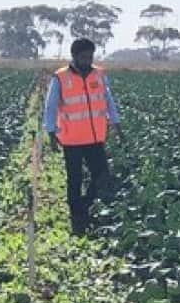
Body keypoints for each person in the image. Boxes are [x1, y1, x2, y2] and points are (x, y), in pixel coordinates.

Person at [44, 38, 122, 234]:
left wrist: (116, 123)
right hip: (72, 139)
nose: (88, 60)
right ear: (75, 56)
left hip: (95, 138)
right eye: (84, 56)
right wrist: (51, 132)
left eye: (90, 56)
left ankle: (88, 205)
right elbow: (51, 106)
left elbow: (108, 100)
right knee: (75, 178)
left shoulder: (99, 74)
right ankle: (76, 214)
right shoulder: (60, 77)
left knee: (101, 174)